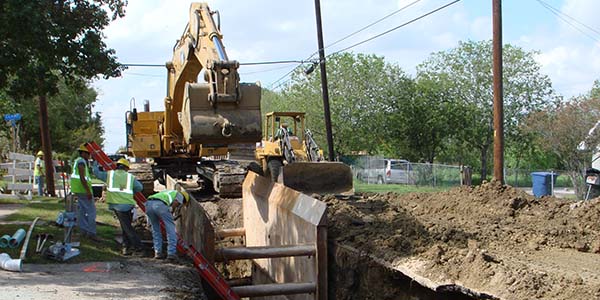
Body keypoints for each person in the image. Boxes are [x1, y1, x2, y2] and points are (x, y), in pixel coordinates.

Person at [92, 158, 145, 256]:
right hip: (128, 205)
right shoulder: (130, 177)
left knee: (127, 228)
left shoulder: (110, 174)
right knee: (126, 227)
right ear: (126, 168)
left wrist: (95, 164)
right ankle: (127, 247)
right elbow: (140, 187)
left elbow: (97, 173)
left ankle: (138, 248)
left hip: (117, 205)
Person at [145, 189, 189, 261]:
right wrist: (171, 213)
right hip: (160, 206)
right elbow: (175, 203)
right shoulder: (179, 195)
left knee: (156, 229)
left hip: (149, 204)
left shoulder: (168, 192)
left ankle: (157, 252)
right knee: (170, 229)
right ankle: (171, 253)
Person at [70, 144, 98, 240]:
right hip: (83, 190)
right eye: (88, 153)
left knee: (82, 211)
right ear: (83, 153)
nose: (89, 155)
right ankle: (91, 233)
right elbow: (82, 178)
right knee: (91, 212)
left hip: (78, 190)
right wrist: (88, 191)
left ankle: (83, 231)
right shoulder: (81, 162)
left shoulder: (78, 161)